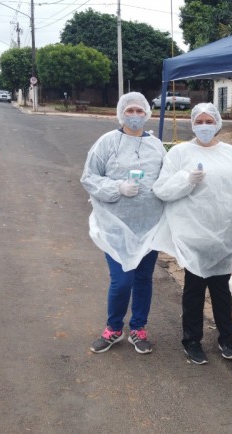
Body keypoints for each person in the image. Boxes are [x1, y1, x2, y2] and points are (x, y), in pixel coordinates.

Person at [153, 103, 232, 365]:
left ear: (217, 123)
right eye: (200, 121)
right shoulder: (180, 153)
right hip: (193, 235)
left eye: (209, 121)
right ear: (192, 123)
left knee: (221, 290)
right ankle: (191, 340)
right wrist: (187, 179)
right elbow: (162, 190)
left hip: (224, 235)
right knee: (194, 291)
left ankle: (226, 338)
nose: (204, 125)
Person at [80, 92, 166, 355]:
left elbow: (167, 180)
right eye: (130, 110)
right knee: (121, 281)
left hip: (149, 225)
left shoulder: (157, 146)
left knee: (143, 279)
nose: (135, 116)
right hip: (115, 225)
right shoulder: (107, 142)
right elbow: (89, 178)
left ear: (147, 113)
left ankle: (138, 328)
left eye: (140, 111)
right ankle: (114, 328)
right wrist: (117, 187)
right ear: (121, 113)